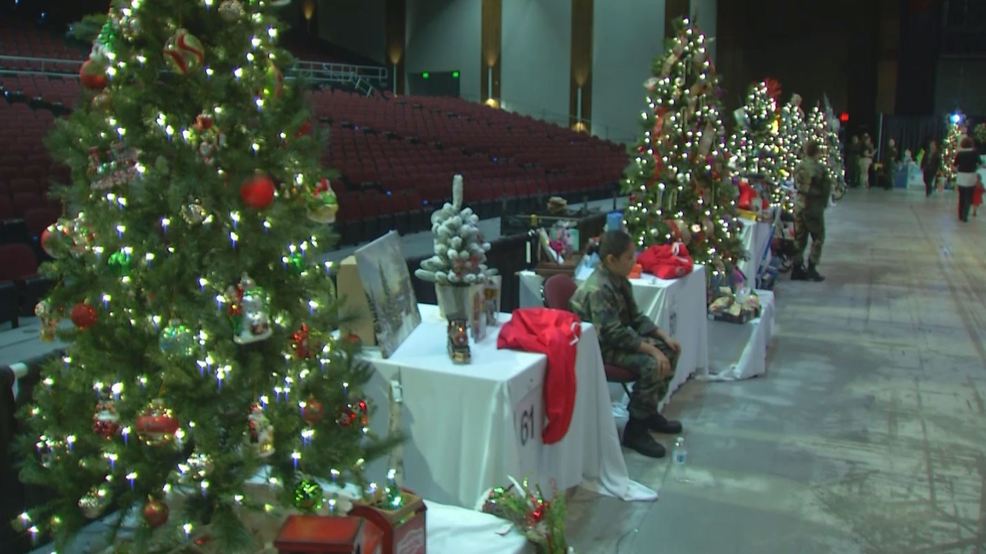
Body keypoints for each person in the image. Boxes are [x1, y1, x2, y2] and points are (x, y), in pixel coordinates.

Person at [569, 230, 682, 458]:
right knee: (651, 363)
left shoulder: (619, 280)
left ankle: (647, 411)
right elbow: (613, 334)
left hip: (614, 340)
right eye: (629, 257)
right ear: (611, 259)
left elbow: (635, 317)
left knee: (670, 351)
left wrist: (662, 336)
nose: (635, 261)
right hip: (597, 348)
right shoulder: (599, 288)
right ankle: (635, 430)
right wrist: (651, 349)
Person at [791, 141, 832, 281]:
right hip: (813, 207)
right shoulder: (819, 169)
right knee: (818, 237)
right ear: (817, 152)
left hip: (799, 205)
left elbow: (796, 184)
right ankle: (812, 267)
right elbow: (826, 188)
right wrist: (823, 203)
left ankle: (796, 268)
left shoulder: (799, 166)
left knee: (799, 237)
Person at [953, 136, 979, 222]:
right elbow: (980, 163)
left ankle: (960, 214)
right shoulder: (974, 153)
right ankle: (965, 215)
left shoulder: (960, 153)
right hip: (971, 176)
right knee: (968, 196)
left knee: (961, 197)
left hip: (961, 176)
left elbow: (955, 165)